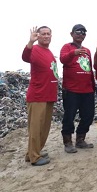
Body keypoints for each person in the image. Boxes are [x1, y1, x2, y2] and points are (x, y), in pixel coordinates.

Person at [22, 26, 59, 166]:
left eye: (48, 33)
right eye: (43, 34)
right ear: (38, 35)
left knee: (44, 128)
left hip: (49, 95)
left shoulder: (48, 52)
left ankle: (32, 152)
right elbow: (25, 57)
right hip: (38, 96)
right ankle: (35, 157)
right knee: (36, 128)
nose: (46, 36)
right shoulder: (35, 49)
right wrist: (30, 42)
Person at [60, 24, 95, 153]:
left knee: (88, 115)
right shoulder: (66, 47)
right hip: (71, 90)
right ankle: (68, 142)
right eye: (78, 32)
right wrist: (73, 53)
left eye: (84, 32)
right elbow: (63, 60)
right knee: (69, 116)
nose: (81, 34)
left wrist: (93, 85)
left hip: (87, 90)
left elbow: (89, 69)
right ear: (72, 34)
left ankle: (80, 139)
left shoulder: (88, 51)